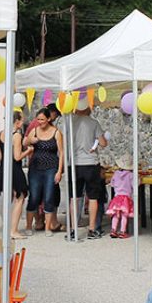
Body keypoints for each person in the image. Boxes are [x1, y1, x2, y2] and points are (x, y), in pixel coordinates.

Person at [67, 100, 109, 239]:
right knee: (93, 197)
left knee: (75, 197)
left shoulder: (69, 122)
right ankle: (92, 229)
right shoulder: (93, 123)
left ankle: (72, 229)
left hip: (74, 164)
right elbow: (103, 143)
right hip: (91, 164)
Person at [24, 106, 65, 236]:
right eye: (38, 119)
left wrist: (59, 171)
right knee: (34, 197)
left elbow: (62, 153)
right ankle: (29, 226)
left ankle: (47, 228)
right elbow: (24, 143)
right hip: (35, 168)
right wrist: (31, 140)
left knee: (49, 197)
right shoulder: (34, 131)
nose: (39, 122)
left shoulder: (56, 132)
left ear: (48, 119)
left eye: (42, 119)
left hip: (51, 168)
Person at [0, 110, 32, 239]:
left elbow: (0, 155)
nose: (23, 122)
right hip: (14, 169)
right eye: (22, 120)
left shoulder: (1, 134)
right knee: (19, 198)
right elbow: (17, 157)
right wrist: (28, 151)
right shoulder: (16, 135)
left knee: (7, 199)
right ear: (17, 122)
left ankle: (6, 228)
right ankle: (13, 230)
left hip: (3, 168)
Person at [106, 163, 135, 238]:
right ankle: (122, 231)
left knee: (116, 215)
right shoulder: (131, 175)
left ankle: (113, 230)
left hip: (117, 197)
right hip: (126, 198)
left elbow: (112, 184)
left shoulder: (116, 173)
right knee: (124, 215)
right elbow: (134, 185)